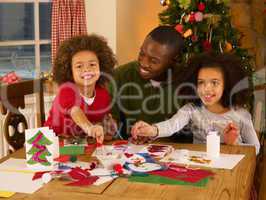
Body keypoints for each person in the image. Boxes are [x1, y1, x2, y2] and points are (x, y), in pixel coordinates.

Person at [131, 53, 260, 154]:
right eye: (201, 82)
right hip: (200, 166)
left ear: (227, 85)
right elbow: (171, 125)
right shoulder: (191, 110)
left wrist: (234, 144)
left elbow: (256, 149)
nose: (206, 89)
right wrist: (151, 129)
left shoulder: (241, 115)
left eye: (214, 83)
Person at [109, 25, 192, 143]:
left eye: (153, 61)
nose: (143, 63)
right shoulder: (120, 75)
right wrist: (110, 126)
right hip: (130, 152)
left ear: (175, 59)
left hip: (176, 154)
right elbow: (112, 122)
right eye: (142, 54)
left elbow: (190, 127)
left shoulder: (187, 80)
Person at [45, 34, 116, 144]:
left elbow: (104, 121)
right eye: (79, 66)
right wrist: (90, 128)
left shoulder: (103, 94)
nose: (87, 69)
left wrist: (108, 127)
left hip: (81, 146)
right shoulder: (66, 91)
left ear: (101, 67)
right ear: (69, 71)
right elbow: (75, 111)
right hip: (53, 144)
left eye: (92, 64)